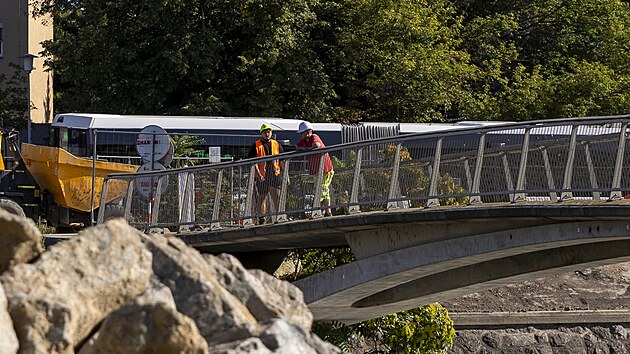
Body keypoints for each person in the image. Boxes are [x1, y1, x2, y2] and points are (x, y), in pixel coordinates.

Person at [248, 123, 285, 224]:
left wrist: (286, 175)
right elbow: (253, 162)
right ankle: (261, 218)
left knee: (276, 196)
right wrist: (258, 174)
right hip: (262, 176)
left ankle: (279, 217)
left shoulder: (276, 144)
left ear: (271, 133)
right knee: (262, 197)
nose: (267, 134)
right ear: (261, 134)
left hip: (274, 174)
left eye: (268, 132)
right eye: (265, 132)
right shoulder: (256, 145)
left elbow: (282, 161)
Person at [296, 121, 334, 217]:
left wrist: (305, 148)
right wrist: (305, 148)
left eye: (302, 133)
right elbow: (297, 146)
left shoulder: (314, 136)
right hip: (316, 169)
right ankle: (325, 211)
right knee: (321, 189)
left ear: (308, 132)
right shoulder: (304, 141)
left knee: (322, 189)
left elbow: (316, 145)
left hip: (325, 169)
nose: (301, 135)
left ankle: (320, 210)